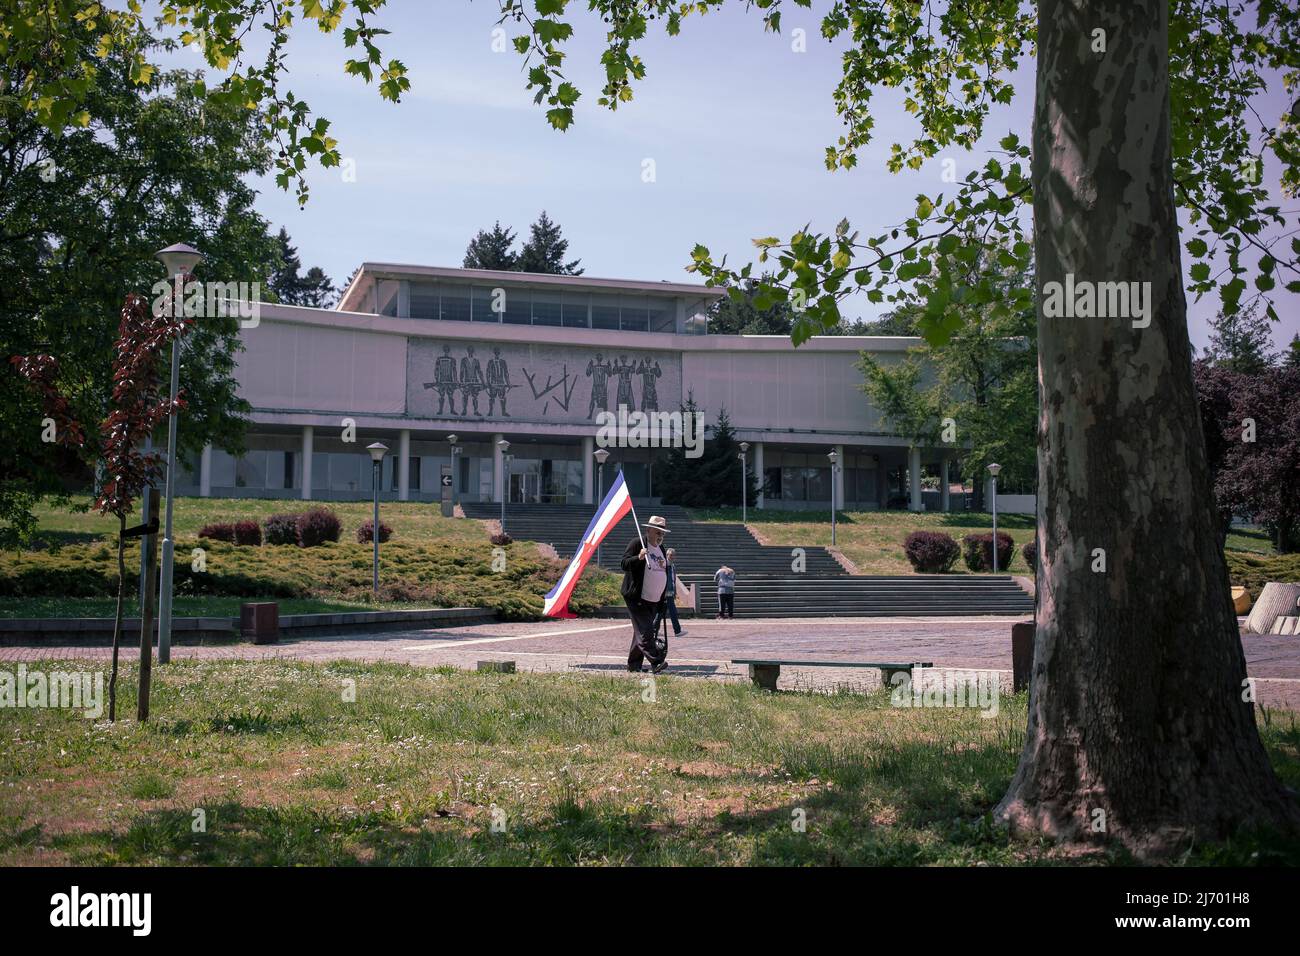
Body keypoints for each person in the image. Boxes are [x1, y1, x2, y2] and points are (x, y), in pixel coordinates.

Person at [622, 514, 671, 673]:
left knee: (641, 631)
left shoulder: (661, 548)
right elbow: (624, 564)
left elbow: (662, 572)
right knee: (646, 631)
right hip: (637, 596)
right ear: (649, 530)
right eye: (658, 532)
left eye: (662, 533)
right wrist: (639, 557)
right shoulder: (638, 543)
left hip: (654, 599)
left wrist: (663, 597)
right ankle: (656, 662)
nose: (660, 535)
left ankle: (634, 665)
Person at [664, 547, 687, 637]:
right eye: (670, 555)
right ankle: (677, 631)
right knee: (672, 611)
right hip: (666, 591)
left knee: (660, 613)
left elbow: (673, 580)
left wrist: (675, 591)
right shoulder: (665, 564)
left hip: (670, 591)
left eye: (673, 555)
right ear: (667, 555)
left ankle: (654, 629)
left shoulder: (672, 566)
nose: (672, 556)